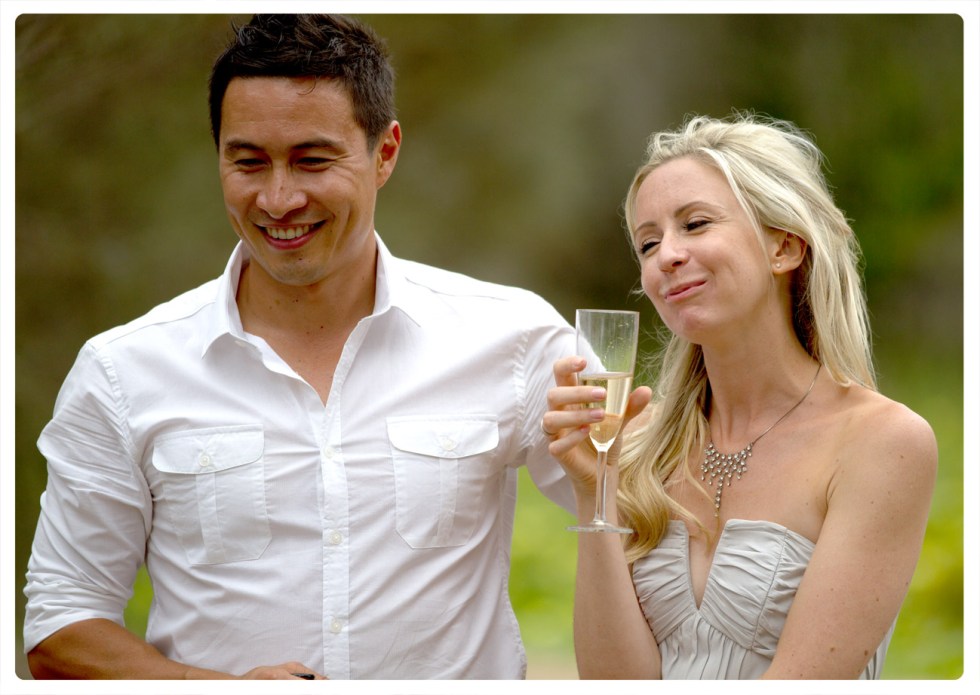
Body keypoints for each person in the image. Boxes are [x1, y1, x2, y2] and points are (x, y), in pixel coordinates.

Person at [23, 14, 574, 680]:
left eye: (312, 160)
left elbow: (647, 522)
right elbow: (59, 623)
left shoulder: (514, 337)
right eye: (248, 161)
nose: (278, 199)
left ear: (385, 153)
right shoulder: (121, 371)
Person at [542, 113, 937, 679]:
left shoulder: (883, 443)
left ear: (784, 247)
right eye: (648, 243)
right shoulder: (638, 440)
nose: (666, 255)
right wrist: (595, 489)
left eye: (696, 224)